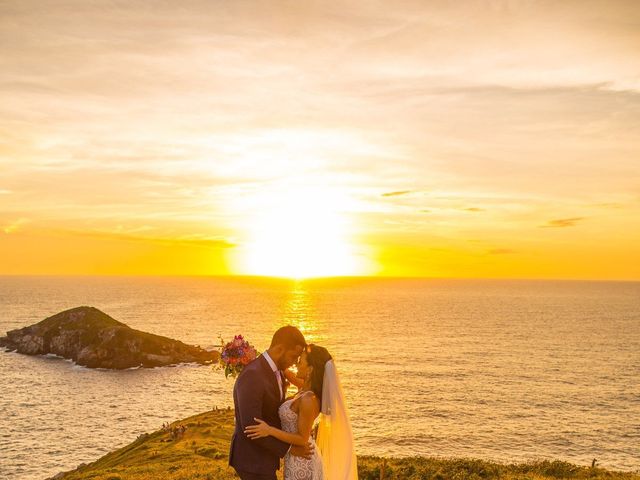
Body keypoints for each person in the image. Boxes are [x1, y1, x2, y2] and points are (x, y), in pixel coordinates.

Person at [245, 344, 358, 480]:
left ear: (310, 370)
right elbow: (283, 370)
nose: (296, 364)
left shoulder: (309, 399)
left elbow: (302, 438)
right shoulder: (303, 388)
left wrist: (269, 430)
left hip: (303, 461)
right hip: (294, 457)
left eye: (300, 361)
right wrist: (251, 358)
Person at [229, 326, 313, 480]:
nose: (294, 363)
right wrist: (290, 449)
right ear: (280, 349)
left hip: (264, 458)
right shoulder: (253, 375)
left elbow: (273, 411)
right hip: (252, 460)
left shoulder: (279, 371)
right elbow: (251, 428)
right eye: (294, 357)